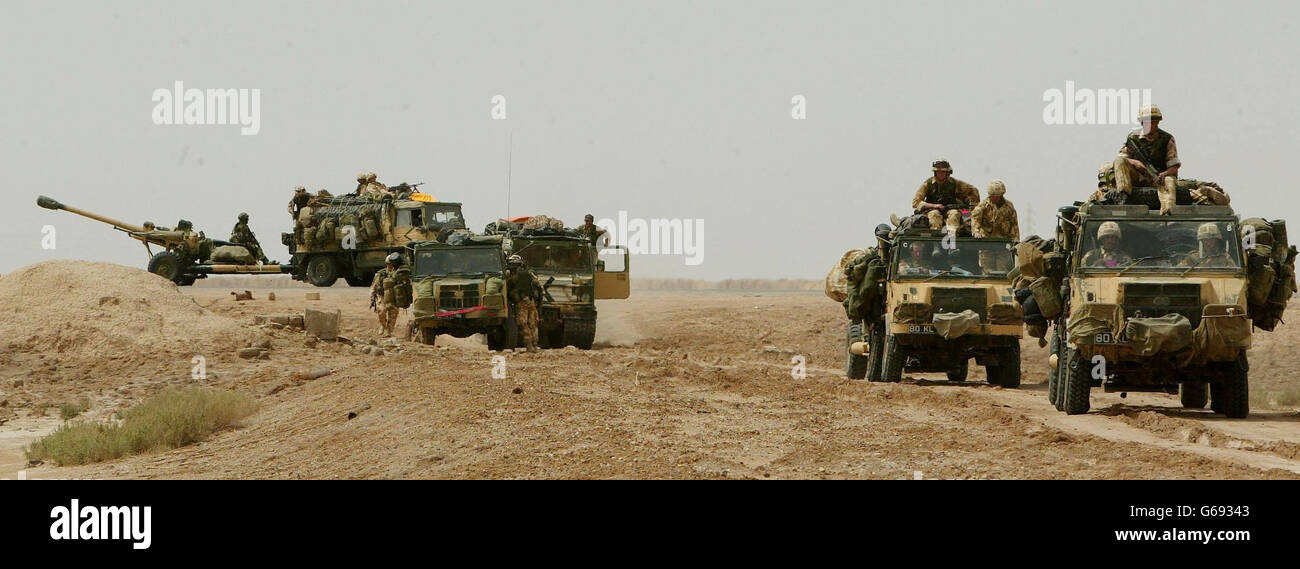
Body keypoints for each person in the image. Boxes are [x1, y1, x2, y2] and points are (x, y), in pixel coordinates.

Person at [1114, 104, 1179, 214]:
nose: (1151, 124)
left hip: (1158, 177)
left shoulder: (1167, 139)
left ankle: (1168, 212)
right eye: (1147, 121)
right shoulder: (1133, 138)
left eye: (1154, 121)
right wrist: (1135, 162)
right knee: (1119, 161)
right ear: (1141, 122)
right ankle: (1123, 197)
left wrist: (1163, 174)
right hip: (1137, 177)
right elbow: (1122, 158)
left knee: (1169, 180)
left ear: (1158, 122)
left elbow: (1174, 167)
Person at [911, 159, 980, 233]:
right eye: (938, 172)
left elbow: (973, 191)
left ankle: (952, 238)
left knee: (954, 214)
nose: (940, 174)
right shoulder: (928, 184)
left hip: (951, 209)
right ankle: (936, 239)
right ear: (935, 172)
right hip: (932, 210)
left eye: (943, 172)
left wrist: (972, 209)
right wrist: (934, 206)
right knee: (934, 214)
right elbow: (915, 202)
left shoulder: (955, 183)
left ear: (948, 173)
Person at [505, 254, 542, 353]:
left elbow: (508, 288)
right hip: (531, 301)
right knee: (533, 323)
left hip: (522, 303)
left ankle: (529, 345)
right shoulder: (529, 274)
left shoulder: (514, 277)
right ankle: (534, 345)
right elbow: (538, 286)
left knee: (523, 323)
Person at [370, 253, 411, 337]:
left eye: (391, 264)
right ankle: (383, 325)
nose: (389, 266)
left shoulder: (399, 273)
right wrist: (372, 295)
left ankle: (389, 331)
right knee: (381, 311)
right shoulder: (381, 273)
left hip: (394, 297)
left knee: (393, 315)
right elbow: (374, 285)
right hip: (382, 296)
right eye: (388, 264)